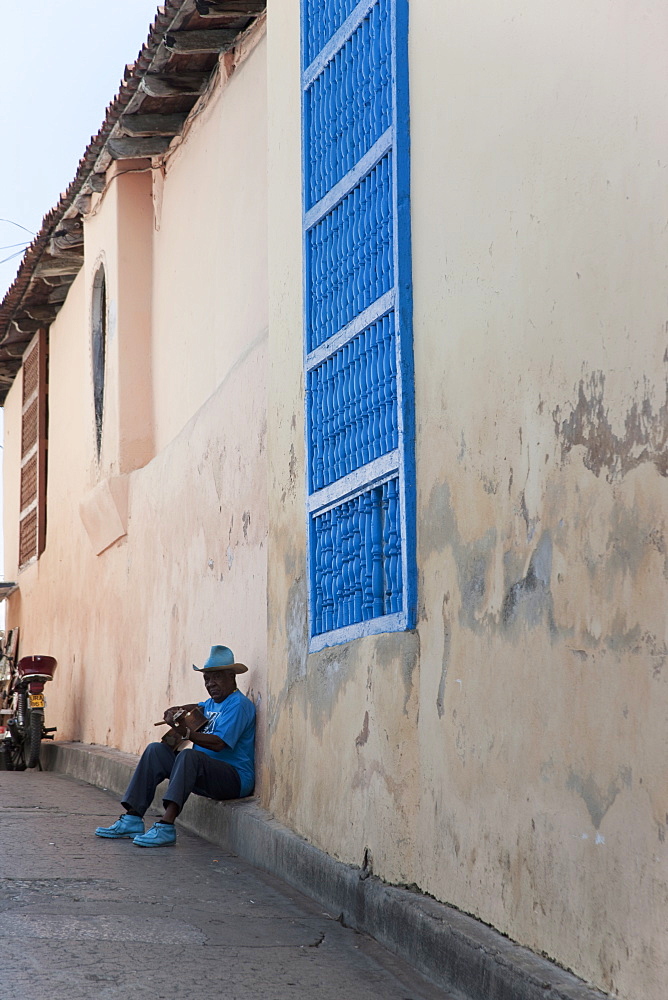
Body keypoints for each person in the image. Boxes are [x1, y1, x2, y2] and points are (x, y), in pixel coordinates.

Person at [95, 644, 255, 848]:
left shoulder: (239, 704)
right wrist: (177, 710)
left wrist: (187, 734)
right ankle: (132, 819)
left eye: (217, 677)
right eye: (206, 678)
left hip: (234, 779)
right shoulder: (211, 703)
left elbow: (218, 743)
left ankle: (166, 826)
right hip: (203, 773)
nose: (210, 683)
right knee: (156, 750)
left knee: (189, 756)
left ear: (232, 677)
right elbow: (197, 708)